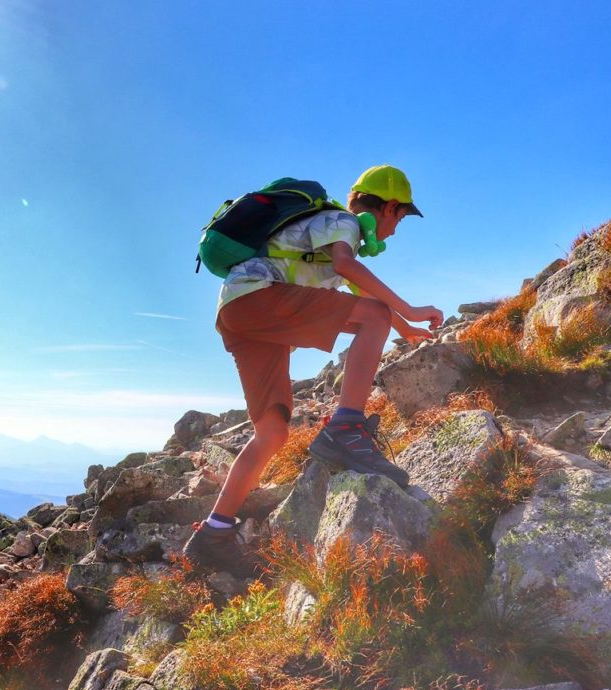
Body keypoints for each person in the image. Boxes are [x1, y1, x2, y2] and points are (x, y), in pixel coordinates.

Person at [183, 164, 444, 575]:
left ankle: (213, 533)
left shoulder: (328, 226)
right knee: (374, 315)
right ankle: (346, 427)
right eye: (400, 218)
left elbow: (359, 292)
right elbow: (346, 267)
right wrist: (406, 308)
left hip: (237, 310)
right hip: (259, 298)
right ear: (389, 207)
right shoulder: (344, 223)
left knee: (272, 432)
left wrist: (404, 326)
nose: (396, 230)